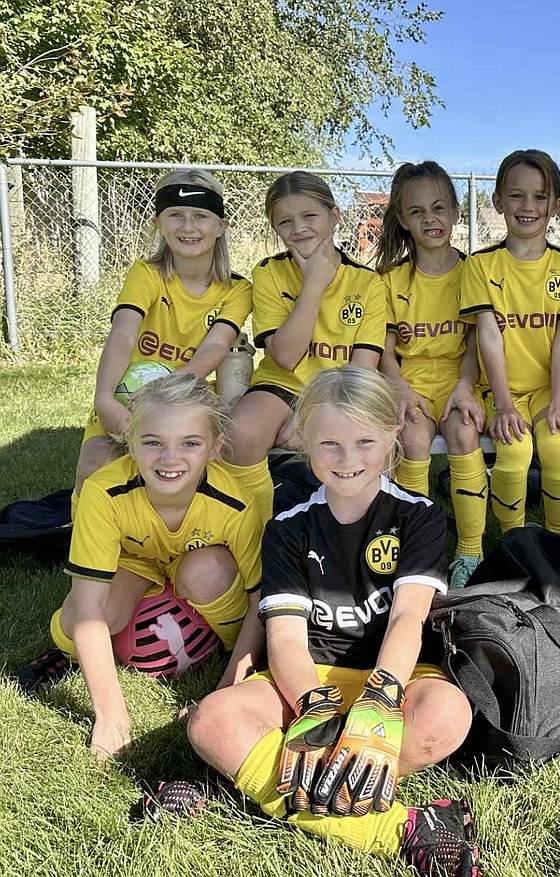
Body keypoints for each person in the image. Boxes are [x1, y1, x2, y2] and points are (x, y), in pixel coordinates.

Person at [187, 366, 478, 877]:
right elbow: (285, 637)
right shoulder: (287, 527)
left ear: (392, 438)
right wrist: (313, 708)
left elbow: (409, 615)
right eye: (330, 444)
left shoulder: (421, 515)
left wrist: (382, 695)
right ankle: (403, 830)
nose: (348, 460)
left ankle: (262, 781)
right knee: (211, 721)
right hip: (307, 681)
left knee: (449, 714)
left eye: (365, 441)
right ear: (304, 440)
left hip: (394, 675)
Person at [23, 374, 263, 760]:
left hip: (198, 572)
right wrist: (111, 714)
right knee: (74, 624)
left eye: (190, 443)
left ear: (215, 447)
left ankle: (218, 643)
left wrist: (229, 686)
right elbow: (87, 609)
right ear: (130, 443)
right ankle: (65, 656)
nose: (170, 459)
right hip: (135, 565)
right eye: (153, 443)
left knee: (207, 572)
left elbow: (259, 600)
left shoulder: (236, 505)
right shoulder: (104, 492)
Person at [220, 171, 387, 523]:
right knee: (241, 432)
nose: (299, 228)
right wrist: (312, 283)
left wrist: (313, 416)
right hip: (281, 385)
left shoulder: (367, 282)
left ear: (334, 214)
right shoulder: (268, 273)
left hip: (342, 391)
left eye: (310, 216)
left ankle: (359, 530)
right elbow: (284, 357)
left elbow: (362, 368)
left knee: (373, 441)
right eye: (285, 221)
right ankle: (257, 533)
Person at [74, 170, 251, 499]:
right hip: (130, 398)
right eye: (175, 216)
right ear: (157, 221)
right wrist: (104, 397)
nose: (187, 227)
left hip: (188, 398)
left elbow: (216, 344)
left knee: (195, 476)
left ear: (221, 226)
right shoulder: (146, 273)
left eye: (200, 216)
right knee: (96, 464)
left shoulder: (237, 290)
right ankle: (86, 542)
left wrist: (171, 385)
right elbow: (124, 332)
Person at [458, 149, 560, 535]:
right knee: (514, 455)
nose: (528, 206)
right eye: (516, 195)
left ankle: (555, 545)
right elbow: (487, 334)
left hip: (546, 392)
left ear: (555, 204)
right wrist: (503, 405)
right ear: (498, 200)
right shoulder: (481, 265)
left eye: (539, 196)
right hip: (499, 391)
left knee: (558, 452)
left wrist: (558, 404)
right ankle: (513, 545)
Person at [375, 161, 487, 589]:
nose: (430, 219)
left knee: (463, 430)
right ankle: (420, 544)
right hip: (409, 381)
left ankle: (470, 551)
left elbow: (478, 341)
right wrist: (400, 389)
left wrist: (464, 386)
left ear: (457, 211)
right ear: (403, 219)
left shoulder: (473, 272)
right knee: (415, 436)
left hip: (460, 377)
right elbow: (385, 350)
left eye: (439, 208)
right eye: (417, 212)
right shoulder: (391, 280)